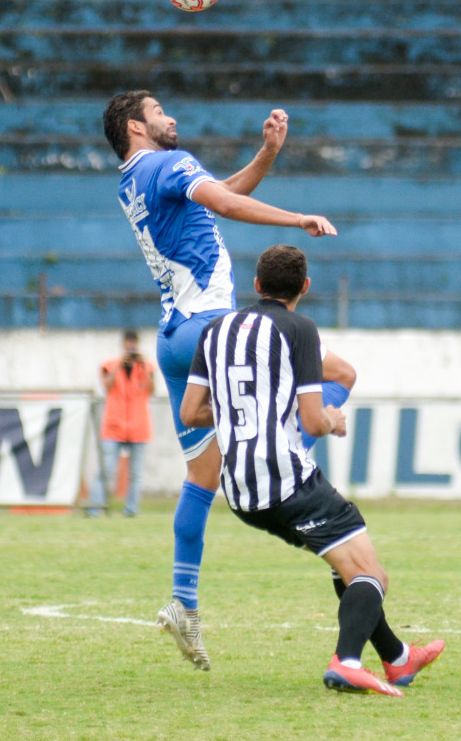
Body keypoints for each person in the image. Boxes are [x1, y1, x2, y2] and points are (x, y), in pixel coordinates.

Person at [102, 90, 356, 672]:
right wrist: (298, 218)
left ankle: (183, 604)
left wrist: (266, 154)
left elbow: (221, 196)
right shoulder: (169, 161)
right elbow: (228, 206)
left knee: (202, 474)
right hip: (213, 325)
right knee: (339, 372)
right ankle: (292, 448)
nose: (172, 116)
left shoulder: (134, 178)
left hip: (174, 338)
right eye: (160, 110)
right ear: (136, 128)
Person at [180, 244, 444, 696]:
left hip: (241, 489)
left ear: (257, 285)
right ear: (304, 287)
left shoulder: (215, 330)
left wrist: (246, 414)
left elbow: (191, 412)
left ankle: (399, 658)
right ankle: (346, 661)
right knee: (370, 575)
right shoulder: (299, 329)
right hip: (284, 477)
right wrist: (333, 420)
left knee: (347, 564)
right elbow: (311, 420)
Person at [87, 329, 155, 517]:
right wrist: (120, 365)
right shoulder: (109, 365)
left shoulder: (147, 366)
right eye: (128, 345)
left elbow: (152, 389)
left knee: (136, 474)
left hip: (139, 427)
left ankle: (131, 510)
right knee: (106, 470)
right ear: (122, 345)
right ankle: (95, 508)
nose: (130, 349)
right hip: (114, 426)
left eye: (133, 345)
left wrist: (140, 365)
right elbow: (107, 387)